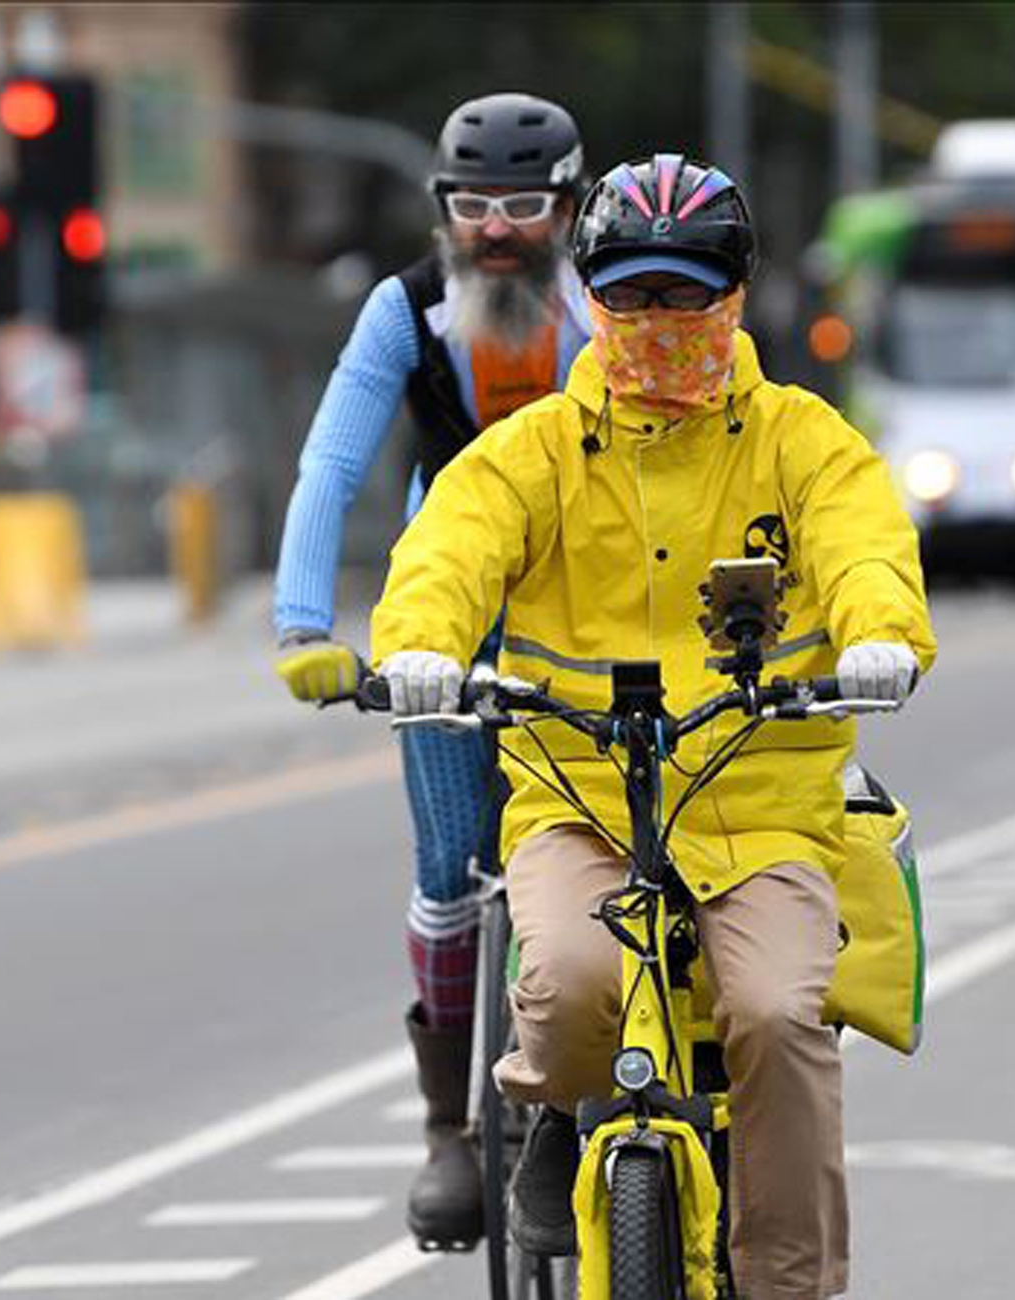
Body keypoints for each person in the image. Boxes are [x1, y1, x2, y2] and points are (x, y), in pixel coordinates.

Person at [369, 154, 938, 1296]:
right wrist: (420, 649)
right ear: (588, 296)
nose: (657, 320)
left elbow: (865, 545)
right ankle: (542, 1135)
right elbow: (448, 551)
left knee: (777, 1017)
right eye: (629, 294)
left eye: (685, 293)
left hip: (760, 816)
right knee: (569, 985)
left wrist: (881, 634)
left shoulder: (802, 441)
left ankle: (788, 1283)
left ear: (732, 299)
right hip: (577, 806)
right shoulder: (526, 454)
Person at [272, 92, 590, 1245]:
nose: (496, 229)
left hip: (586, 611)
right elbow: (329, 465)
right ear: (440, 211)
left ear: (568, 205)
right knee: (452, 873)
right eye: (472, 206)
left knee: (634, 850)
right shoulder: (401, 315)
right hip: (443, 616)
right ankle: (449, 1130)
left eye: (521, 205)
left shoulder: (602, 307)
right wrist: (304, 626)